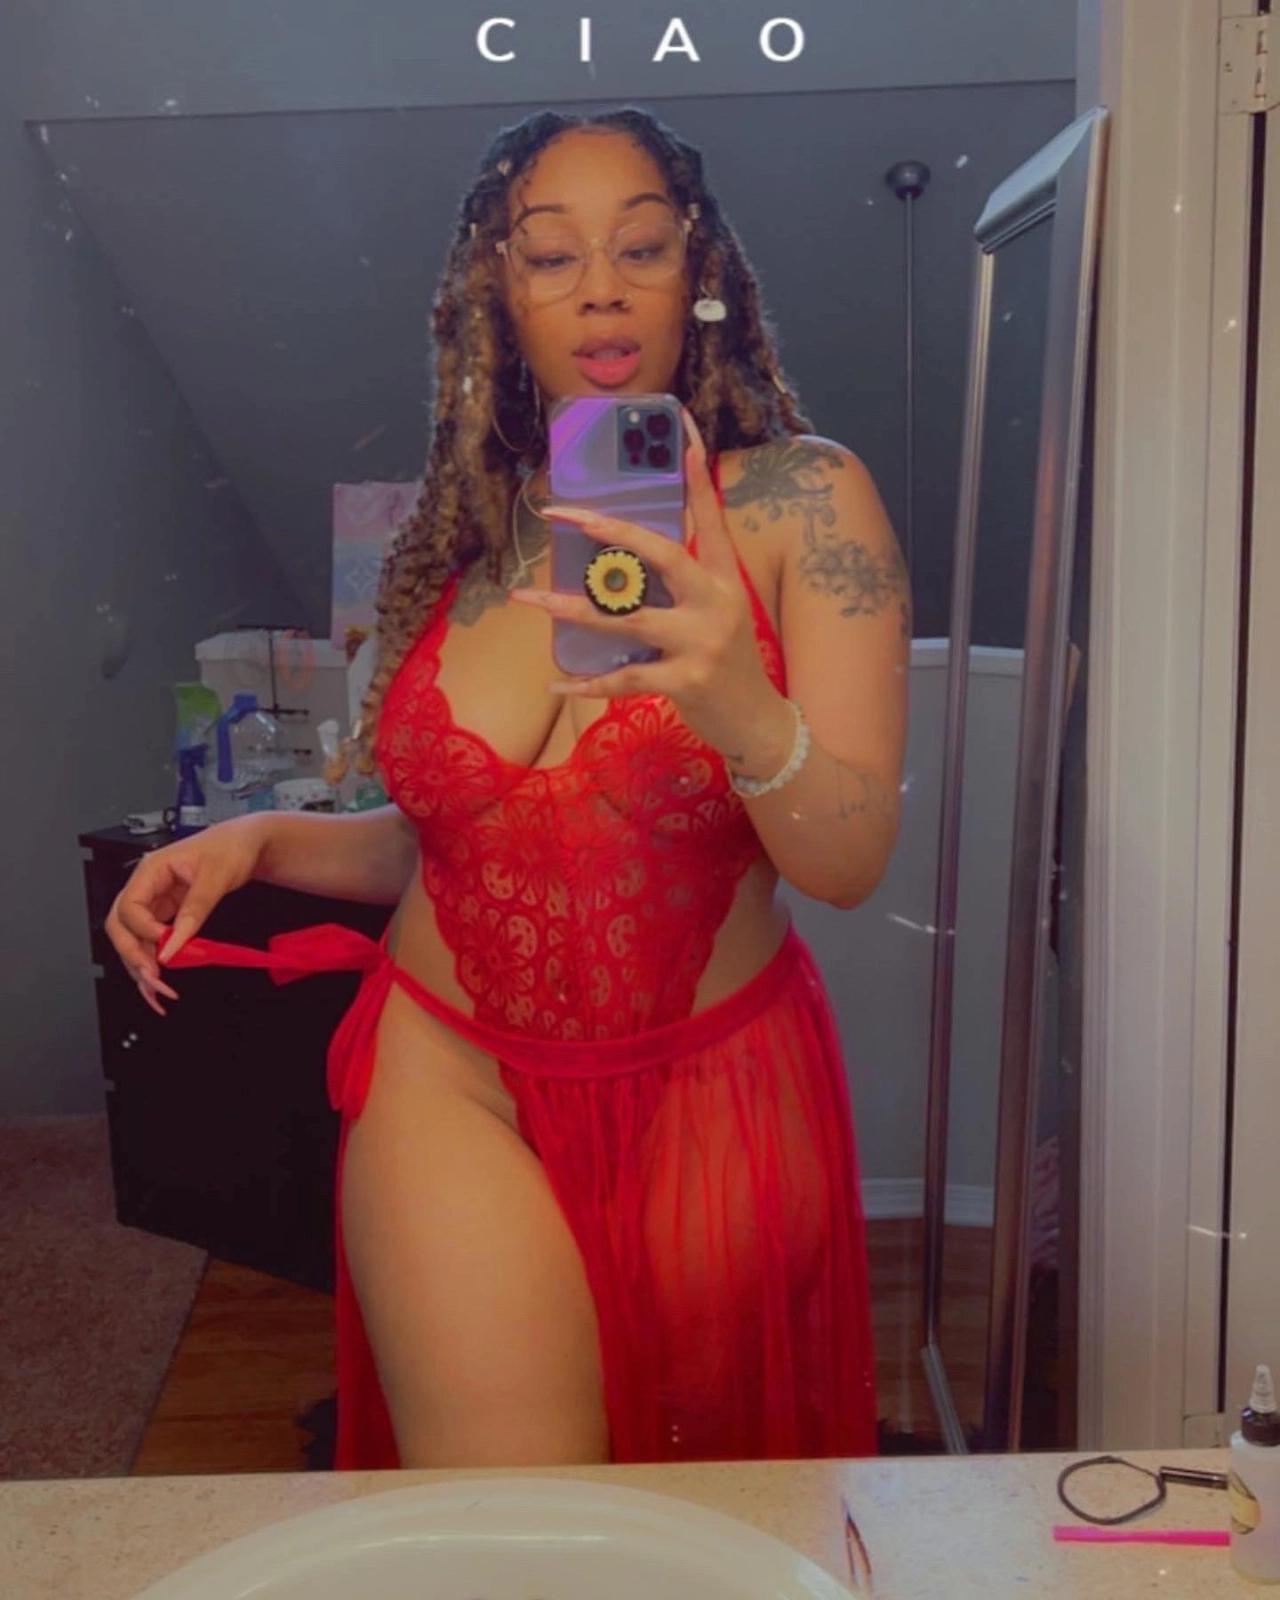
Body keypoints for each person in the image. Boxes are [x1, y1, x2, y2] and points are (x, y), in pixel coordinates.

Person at [105, 105, 910, 1472]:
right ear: (500, 294)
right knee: (510, 1531)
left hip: (703, 1099)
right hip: (449, 1081)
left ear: (699, 274)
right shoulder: (474, 533)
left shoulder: (805, 505)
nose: (600, 287)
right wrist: (261, 838)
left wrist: (736, 699)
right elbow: (467, 847)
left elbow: (848, 860)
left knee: (688, 1525)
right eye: (550, 256)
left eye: (640, 246)